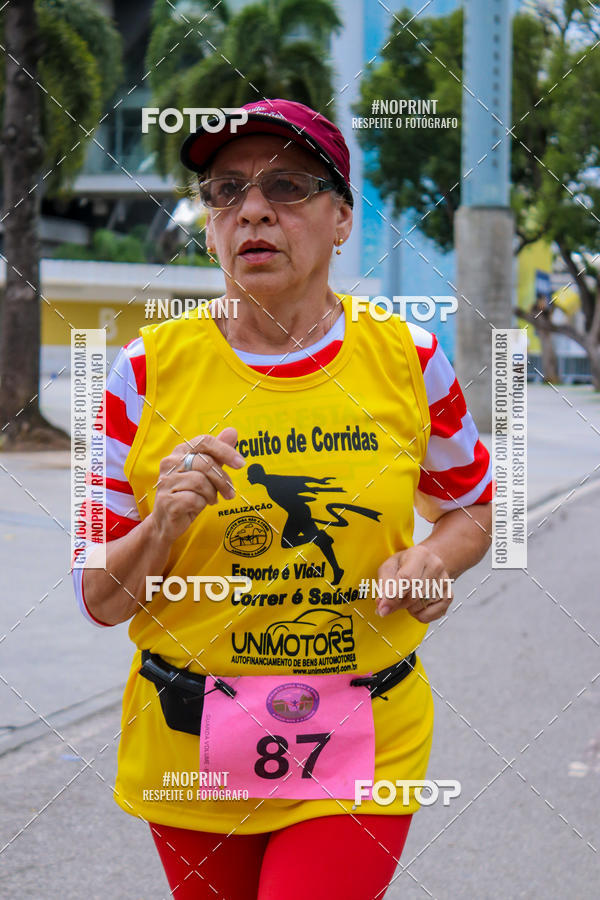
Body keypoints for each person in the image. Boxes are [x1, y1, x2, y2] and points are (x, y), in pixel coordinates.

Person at [74, 98, 493, 899]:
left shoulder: (411, 358)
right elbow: (98, 597)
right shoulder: (140, 373)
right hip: (192, 738)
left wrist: (435, 559)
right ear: (209, 228)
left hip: (360, 732)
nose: (253, 210)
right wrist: (164, 523)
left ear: (341, 220)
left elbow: (472, 505)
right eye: (226, 191)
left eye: (288, 188)